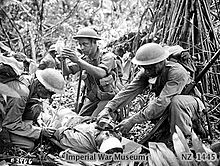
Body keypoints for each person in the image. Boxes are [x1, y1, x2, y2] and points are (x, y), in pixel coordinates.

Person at [98, 43, 206, 138]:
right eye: (144, 68)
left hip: (192, 105)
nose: (147, 72)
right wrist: (109, 108)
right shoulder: (147, 71)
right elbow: (129, 91)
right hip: (169, 106)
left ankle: (184, 140)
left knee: (176, 101)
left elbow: (162, 102)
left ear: (161, 62)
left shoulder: (177, 72)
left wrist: (133, 120)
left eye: (150, 68)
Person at [61, 27, 120, 117]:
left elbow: (101, 73)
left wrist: (78, 61)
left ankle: (114, 116)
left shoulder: (107, 57)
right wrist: (63, 61)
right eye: (80, 44)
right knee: (80, 119)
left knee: (94, 121)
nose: (82, 48)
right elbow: (67, 72)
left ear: (94, 43)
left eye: (85, 44)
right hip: (94, 97)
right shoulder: (85, 59)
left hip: (108, 98)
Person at [1, 68, 65, 151]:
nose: (49, 97)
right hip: (5, 123)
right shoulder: (22, 92)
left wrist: (38, 124)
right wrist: (40, 131)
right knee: (29, 145)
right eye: (49, 93)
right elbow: (10, 124)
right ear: (39, 86)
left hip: (7, 118)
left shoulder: (30, 83)